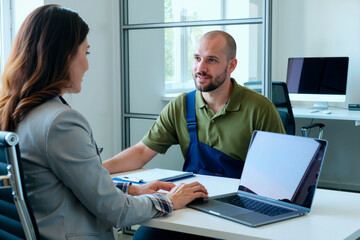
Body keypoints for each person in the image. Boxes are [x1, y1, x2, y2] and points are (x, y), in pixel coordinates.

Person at [0, 4, 208, 239]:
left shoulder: (13, 111)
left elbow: (60, 184)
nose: (87, 65)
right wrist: (170, 200)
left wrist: (131, 188)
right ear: (64, 56)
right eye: (85, 53)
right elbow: (116, 212)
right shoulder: (60, 123)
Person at [103, 30, 285, 240]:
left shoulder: (260, 108)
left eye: (212, 60)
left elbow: (276, 176)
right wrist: (97, 170)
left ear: (232, 65)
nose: (200, 68)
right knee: (145, 238)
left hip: (239, 207)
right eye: (197, 58)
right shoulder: (181, 105)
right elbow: (141, 151)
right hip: (191, 203)